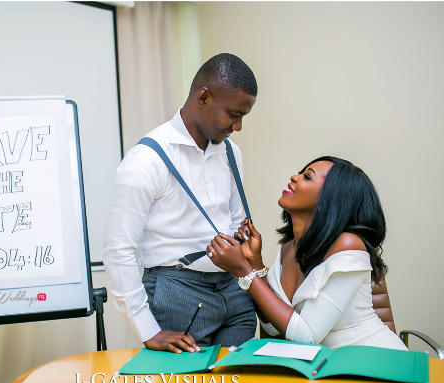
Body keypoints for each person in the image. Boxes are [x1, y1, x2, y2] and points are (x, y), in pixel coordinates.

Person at [102, 54, 258, 353]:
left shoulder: (231, 153)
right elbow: (118, 249)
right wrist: (147, 330)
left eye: (243, 117)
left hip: (234, 293)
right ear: (204, 97)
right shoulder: (145, 161)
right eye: (233, 114)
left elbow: (236, 223)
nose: (238, 126)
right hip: (178, 296)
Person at [206, 156, 408, 350]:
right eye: (300, 172)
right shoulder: (288, 247)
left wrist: (242, 270)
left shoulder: (348, 244)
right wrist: (254, 262)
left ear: (329, 199)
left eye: (307, 176)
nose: (294, 177)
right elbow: (272, 326)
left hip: (373, 362)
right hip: (323, 369)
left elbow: (307, 336)